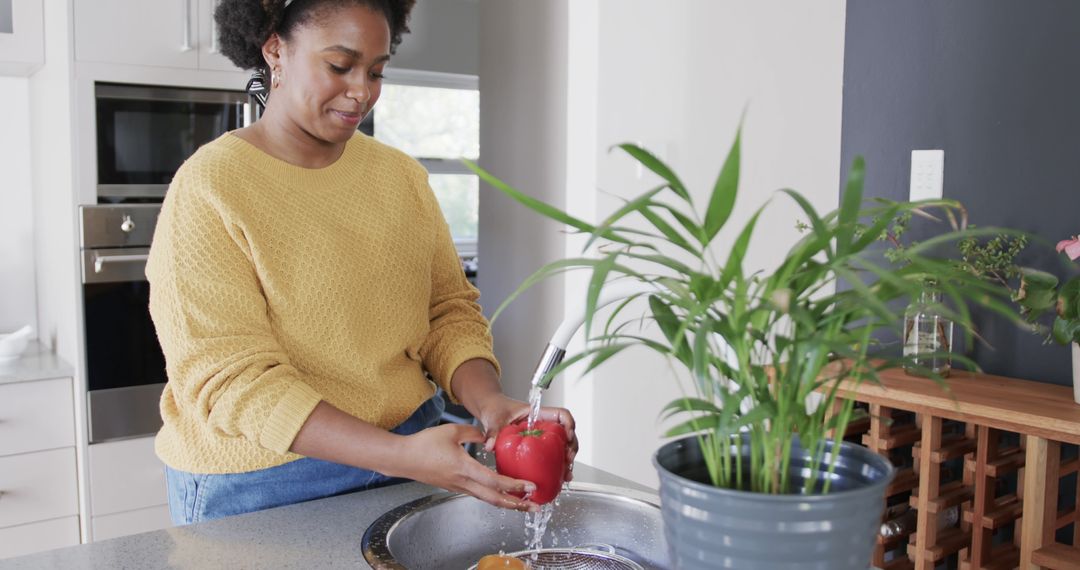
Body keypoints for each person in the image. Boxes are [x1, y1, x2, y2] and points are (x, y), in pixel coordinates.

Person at [146, 0, 576, 525]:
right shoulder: (211, 187)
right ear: (275, 49)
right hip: (264, 479)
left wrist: (489, 403)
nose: (362, 91)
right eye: (339, 66)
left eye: (376, 71)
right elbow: (232, 380)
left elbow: (446, 312)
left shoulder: (400, 177)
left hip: (414, 450)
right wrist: (400, 455)